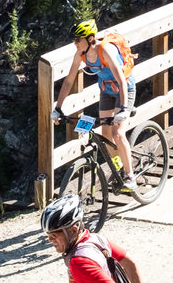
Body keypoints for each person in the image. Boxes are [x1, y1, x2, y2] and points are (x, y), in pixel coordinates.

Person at [57, 21, 137, 193]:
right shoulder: (81, 54)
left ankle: (130, 176)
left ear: (90, 39)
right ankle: (118, 166)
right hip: (106, 91)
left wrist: (123, 109)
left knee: (117, 132)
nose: (75, 43)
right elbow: (69, 80)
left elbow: (121, 80)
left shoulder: (105, 50)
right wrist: (58, 108)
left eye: (78, 40)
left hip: (125, 89)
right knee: (105, 133)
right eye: (74, 40)